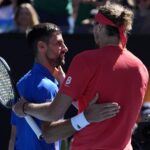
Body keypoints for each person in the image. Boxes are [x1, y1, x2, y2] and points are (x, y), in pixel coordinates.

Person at [13, 2, 148, 149]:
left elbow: (53, 113)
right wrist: (65, 82)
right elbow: (107, 109)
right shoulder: (141, 68)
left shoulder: (85, 61)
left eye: (95, 25)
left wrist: (25, 107)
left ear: (101, 28)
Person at [10, 22, 120, 150]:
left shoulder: (22, 83)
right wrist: (86, 117)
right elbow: (52, 128)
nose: (65, 48)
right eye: (58, 43)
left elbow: (13, 138)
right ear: (41, 46)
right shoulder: (47, 87)